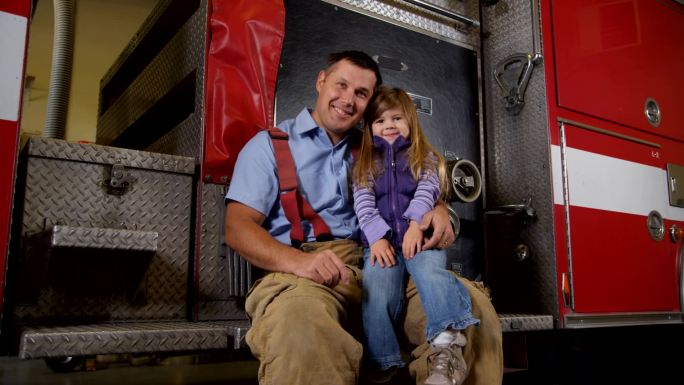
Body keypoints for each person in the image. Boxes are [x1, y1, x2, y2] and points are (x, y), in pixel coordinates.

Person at [224, 50, 502, 385]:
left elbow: (420, 187)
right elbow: (237, 227)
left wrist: (439, 209)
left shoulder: (381, 146)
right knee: (301, 326)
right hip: (307, 271)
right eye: (341, 85)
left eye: (361, 94)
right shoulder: (268, 146)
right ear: (321, 81)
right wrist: (297, 262)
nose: (347, 100)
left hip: (387, 262)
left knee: (472, 310)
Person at [352, 87, 479, 385]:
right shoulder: (366, 163)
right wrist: (377, 238)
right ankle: (381, 361)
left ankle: (447, 338)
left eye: (397, 118)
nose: (389, 125)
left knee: (430, 272)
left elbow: (427, 192)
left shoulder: (426, 157)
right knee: (377, 289)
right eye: (380, 121)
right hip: (381, 244)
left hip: (418, 238)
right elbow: (364, 204)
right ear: (370, 128)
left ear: (410, 120)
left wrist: (415, 225)